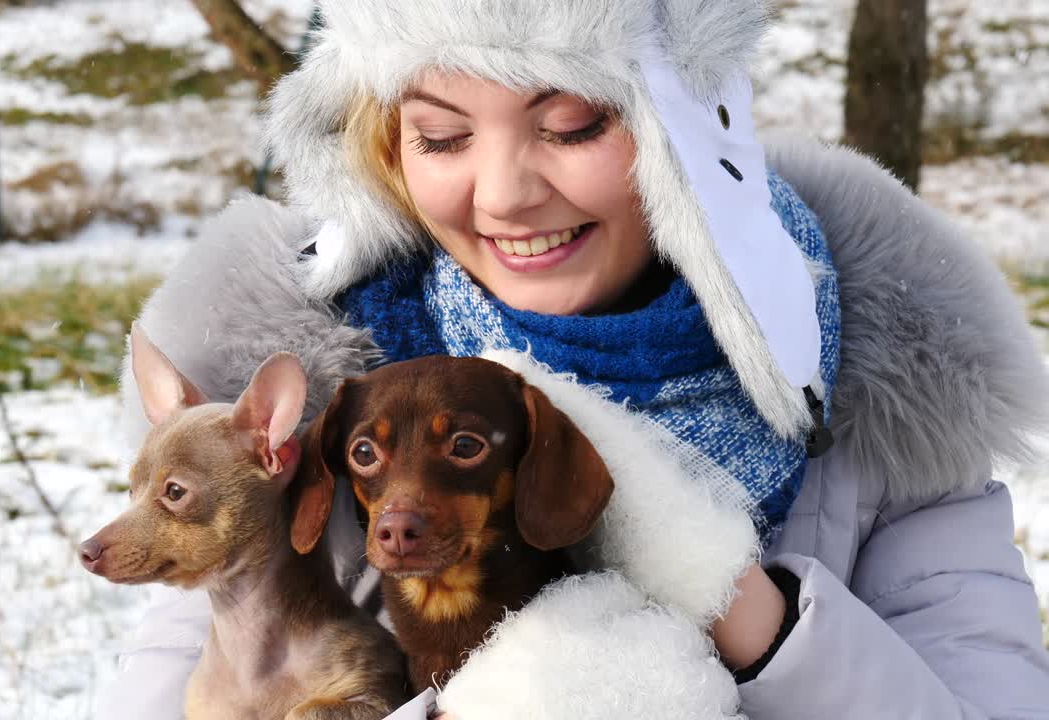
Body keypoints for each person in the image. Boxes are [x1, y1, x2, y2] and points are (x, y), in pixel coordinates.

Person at [95, 0, 1049, 717]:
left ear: (688, 135)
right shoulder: (286, 421)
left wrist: (751, 616)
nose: (504, 194)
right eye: (442, 135)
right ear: (386, 148)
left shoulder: (882, 405)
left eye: (572, 125)